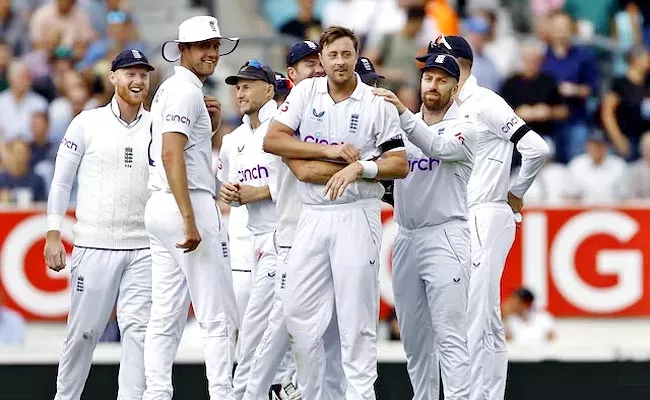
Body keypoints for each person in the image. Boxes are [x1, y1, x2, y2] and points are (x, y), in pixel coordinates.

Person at [264, 26, 409, 400]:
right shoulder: (307, 91)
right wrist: (332, 155)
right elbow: (273, 140)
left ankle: (361, 395)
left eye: (347, 54)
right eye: (333, 56)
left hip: (356, 213)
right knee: (296, 314)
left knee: (356, 320)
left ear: (356, 54)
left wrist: (361, 168)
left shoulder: (376, 101)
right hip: (312, 214)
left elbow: (399, 163)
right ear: (323, 59)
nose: (340, 62)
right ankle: (309, 393)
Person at [418, 36, 550, 400]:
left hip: (486, 212)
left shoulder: (485, 102)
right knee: (487, 318)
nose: (432, 73)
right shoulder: (454, 107)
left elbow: (535, 147)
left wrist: (515, 193)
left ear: (458, 64)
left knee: (472, 314)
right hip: (465, 216)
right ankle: (487, 395)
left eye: (438, 63)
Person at [43, 48, 155, 400]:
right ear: (113, 78)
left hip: (144, 248)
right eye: (129, 74)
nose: (137, 81)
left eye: (143, 74)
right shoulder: (86, 122)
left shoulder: (157, 125)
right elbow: (61, 182)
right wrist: (52, 233)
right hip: (94, 245)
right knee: (83, 334)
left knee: (138, 334)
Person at [243, 40, 347, 400]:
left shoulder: (328, 109)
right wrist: (348, 164)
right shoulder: (284, 116)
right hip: (291, 237)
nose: (318, 70)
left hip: (328, 234)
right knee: (278, 331)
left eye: (320, 62)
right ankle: (252, 395)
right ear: (291, 74)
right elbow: (303, 171)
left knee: (329, 334)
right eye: (308, 65)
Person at [144, 16, 239, 400]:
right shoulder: (184, 91)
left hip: (163, 205)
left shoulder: (172, 89)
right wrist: (189, 217)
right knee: (216, 316)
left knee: (166, 313)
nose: (212, 53)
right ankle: (222, 393)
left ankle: (156, 393)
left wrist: (210, 125)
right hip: (188, 204)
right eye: (203, 46)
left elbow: (183, 148)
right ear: (183, 50)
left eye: (215, 45)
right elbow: (171, 154)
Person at [374, 51, 475, 400]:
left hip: (445, 235)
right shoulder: (402, 125)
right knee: (415, 341)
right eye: (428, 78)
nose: (432, 85)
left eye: (442, 79)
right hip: (405, 236)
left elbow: (438, 146)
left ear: (455, 86)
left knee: (451, 337)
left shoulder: (465, 126)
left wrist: (400, 114)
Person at [219, 59, 298, 400]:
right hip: (251, 242)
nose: (240, 92)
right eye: (237, 86)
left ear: (269, 89)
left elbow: (297, 180)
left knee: (259, 333)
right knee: (257, 331)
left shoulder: (281, 128)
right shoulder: (233, 139)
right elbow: (230, 186)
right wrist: (231, 193)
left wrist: (259, 192)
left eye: (248, 85)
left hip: (282, 239)